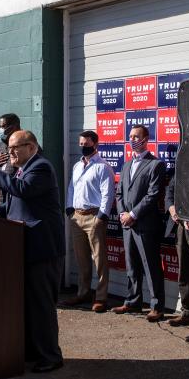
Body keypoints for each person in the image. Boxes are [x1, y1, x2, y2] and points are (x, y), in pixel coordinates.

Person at [0, 130, 64, 373]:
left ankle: (50, 356)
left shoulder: (41, 167)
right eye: (9, 148)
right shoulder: (22, 168)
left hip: (43, 248)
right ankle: (33, 351)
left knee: (41, 306)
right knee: (28, 305)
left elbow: (24, 190)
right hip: (25, 246)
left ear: (32, 147)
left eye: (15, 148)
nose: (11, 153)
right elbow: (15, 203)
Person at [113, 125, 167, 322]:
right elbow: (119, 193)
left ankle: (156, 306)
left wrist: (133, 214)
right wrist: (122, 214)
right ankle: (133, 301)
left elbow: (153, 195)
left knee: (151, 266)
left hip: (145, 224)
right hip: (127, 224)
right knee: (132, 265)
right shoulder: (126, 164)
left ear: (146, 139)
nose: (132, 139)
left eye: (136, 136)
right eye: (130, 136)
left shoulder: (156, 164)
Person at [61, 130, 114, 313]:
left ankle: (101, 297)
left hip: (94, 217)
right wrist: (69, 208)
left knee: (99, 259)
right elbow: (71, 188)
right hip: (77, 217)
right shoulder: (77, 166)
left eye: (87, 144)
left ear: (95, 144)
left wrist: (101, 216)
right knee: (81, 258)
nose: (83, 147)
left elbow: (108, 194)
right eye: (81, 144)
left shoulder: (103, 167)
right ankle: (83, 292)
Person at [164, 175, 189, 327]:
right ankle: (188, 312)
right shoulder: (182, 166)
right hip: (181, 227)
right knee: (185, 272)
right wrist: (172, 210)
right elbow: (169, 193)